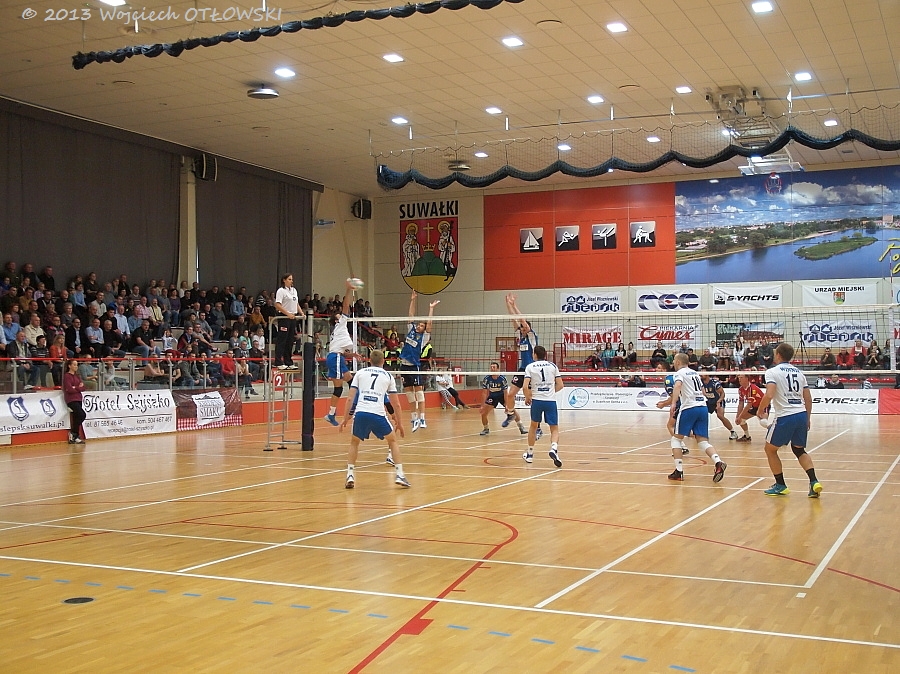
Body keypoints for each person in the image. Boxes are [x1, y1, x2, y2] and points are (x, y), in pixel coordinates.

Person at [756, 343, 822, 497]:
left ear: (778, 355)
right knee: (799, 450)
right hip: (801, 414)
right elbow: (808, 398)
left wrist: (760, 410)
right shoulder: (799, 373)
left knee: (770, 450)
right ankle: (814, 482)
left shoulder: (772, 372)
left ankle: (780, 485)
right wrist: (807, 418)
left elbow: (769, 394)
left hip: (785, 416)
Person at [340, 350, 409, 489]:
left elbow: (350, 398)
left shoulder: (360, 373)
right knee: (393, 441)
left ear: (369, 360)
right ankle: (400, 474)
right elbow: (396, 403)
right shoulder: (388, 376)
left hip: (361, 413)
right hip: (377, 413)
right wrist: (400, 423)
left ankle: (350, 475)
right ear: (383, 361)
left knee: (354, 442)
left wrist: (345, 419)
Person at [667, 353, 727, 483]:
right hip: (702, 407)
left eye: (674, 361)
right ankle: (718, 462)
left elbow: (677, 385)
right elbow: (703, 391)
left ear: (678, 362)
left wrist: (673, 403)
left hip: (689, 408)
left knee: (676, 440)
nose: (673, 363)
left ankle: (679, 471)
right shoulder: (695, 373)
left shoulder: (679, 373)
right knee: (703, 442)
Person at [324, 280, 363, 426]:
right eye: (339, 315)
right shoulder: (340, 324)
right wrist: (348, 289)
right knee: (339, 388)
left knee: (352, 383)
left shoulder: (338, 331)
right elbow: (346, 306)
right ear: (336, 320)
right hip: (335, 358)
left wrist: (353, 355)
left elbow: (344, 353)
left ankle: (351, 409)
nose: (341, 315)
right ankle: (333, 413)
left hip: (337, 357)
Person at [399, 290, 439, 432]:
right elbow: (410, 315)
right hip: (404, 366)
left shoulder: (424, 338)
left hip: (414, 366)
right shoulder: (411, 330)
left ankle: (422, 418)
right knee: (409, 395)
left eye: (421, 326)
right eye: (419, 325)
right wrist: (413, 299)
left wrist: (431, 309)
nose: (418, 326)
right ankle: (414, 418)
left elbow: (429, 324)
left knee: (419, 393)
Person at [503, 294, 542, 439]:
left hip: (532, 371)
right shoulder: (521, 337)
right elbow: (513, 320)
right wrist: (508, 304)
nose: (522, 329)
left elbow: (521, 320)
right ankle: (511, 414)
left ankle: (538, 428)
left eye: (524, 327)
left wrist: (514, 305)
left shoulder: (532, 337)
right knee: (510, 394)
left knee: (531, 400)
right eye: (521, 328)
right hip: (521, 370)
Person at [522, 345, 564, 467]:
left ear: (534, 354)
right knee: (554, 428)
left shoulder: (530, 367)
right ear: (545, 354)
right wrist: (550, 392)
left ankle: (530, 454)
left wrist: (528, 397)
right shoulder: (553, 366)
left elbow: (525, 386)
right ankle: (554, 448)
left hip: (537, 401)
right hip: (550, 401)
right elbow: (560, 385)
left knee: (533, 426)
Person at [479, 362, 526, 435]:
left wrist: (507, 405)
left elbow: (505, 392)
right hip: (492, 396)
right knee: (483, 413)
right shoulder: (487, 378)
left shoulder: (502, 378)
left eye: (494, 367)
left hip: (501, 396)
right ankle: (486, 429)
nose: (492, 369)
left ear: (498, 369)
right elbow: (484, 393)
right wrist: (482, 405)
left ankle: (521, 427)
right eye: (491, 367)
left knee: (512, 410)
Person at [655, 362, 689, 455]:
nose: (656, 370)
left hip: (681, 404)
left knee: (670, 425)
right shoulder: (671, 377)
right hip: (685, 403)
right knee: (676, 426)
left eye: (659, 368)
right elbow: (673, 396)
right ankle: (682, 446)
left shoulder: (668, 380)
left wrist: (663, 404)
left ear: (664, 370)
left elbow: (675, 397)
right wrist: (664, 402)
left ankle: (681, 447)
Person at [273, 273, 299, 369]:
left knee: (290, 340)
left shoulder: (294, 290)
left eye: (292, 279)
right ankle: (278, 361)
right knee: (282, 339)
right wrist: (287, 314)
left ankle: (288, 361)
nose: (291, 281)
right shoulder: (281, 291)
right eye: (289, 279)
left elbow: (296, 303)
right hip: (284, 317)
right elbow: (277, 305)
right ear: (284, 280)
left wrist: (301, 313)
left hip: (292, 317)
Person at [701, 374, 738, 439]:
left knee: (720, 416)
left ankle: (733, 432)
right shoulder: (700, 383)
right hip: (708, 401)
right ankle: (702, 433)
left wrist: (719, 401)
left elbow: (722, 393)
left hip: (717, 400)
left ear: (707, 374)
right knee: (702, 415)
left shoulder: (714, 383)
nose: (701, 374)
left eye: (703, 372)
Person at [734, 374, 764, 442]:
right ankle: (747, 437)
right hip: (754, 407)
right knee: (741, 420)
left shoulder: (752, 388)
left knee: (764, 422)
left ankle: (777, 437)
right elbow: (741, 403)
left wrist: (739, 416)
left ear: (747, 378)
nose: (739, 379)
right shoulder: (741, 389)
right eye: (739, 377)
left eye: (741, 377)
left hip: (763, 406)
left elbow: (748, 405)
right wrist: (738, 416)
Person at [63, 359, 87, 444]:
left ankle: (75, 436)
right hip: (71, 399)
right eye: (74, 365)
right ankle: (73, 433)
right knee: (82, 414)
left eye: (76, 365)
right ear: (69, 366)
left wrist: (75, 387)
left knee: (77, 417)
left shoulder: (77, 376)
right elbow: (69, 389)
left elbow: (83, 387)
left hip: (79, 398)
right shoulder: (67, 376)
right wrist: (78, 387)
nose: (76, 366)